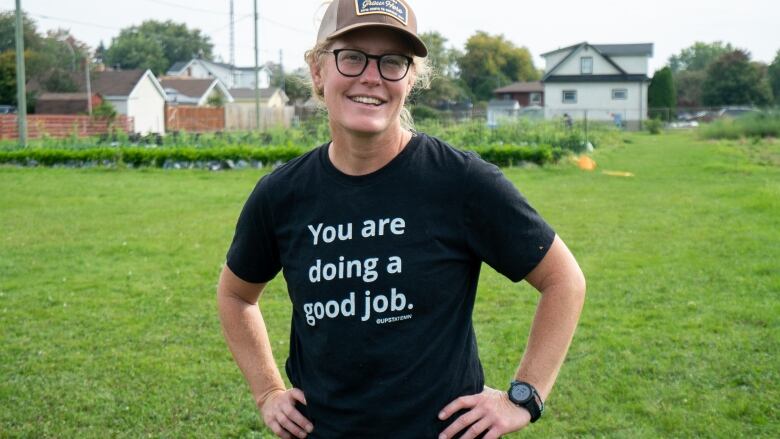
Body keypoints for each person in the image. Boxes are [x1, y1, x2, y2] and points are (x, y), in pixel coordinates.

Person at [217, 1, 586, 438]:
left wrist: (524, 396)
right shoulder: (281, 195)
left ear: (411, 79)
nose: (371, 77)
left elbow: (564, 280)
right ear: (318, 71)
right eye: (352, 56)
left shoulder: (460, 182)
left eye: (393, 62)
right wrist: (266, 393)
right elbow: (236, 296)